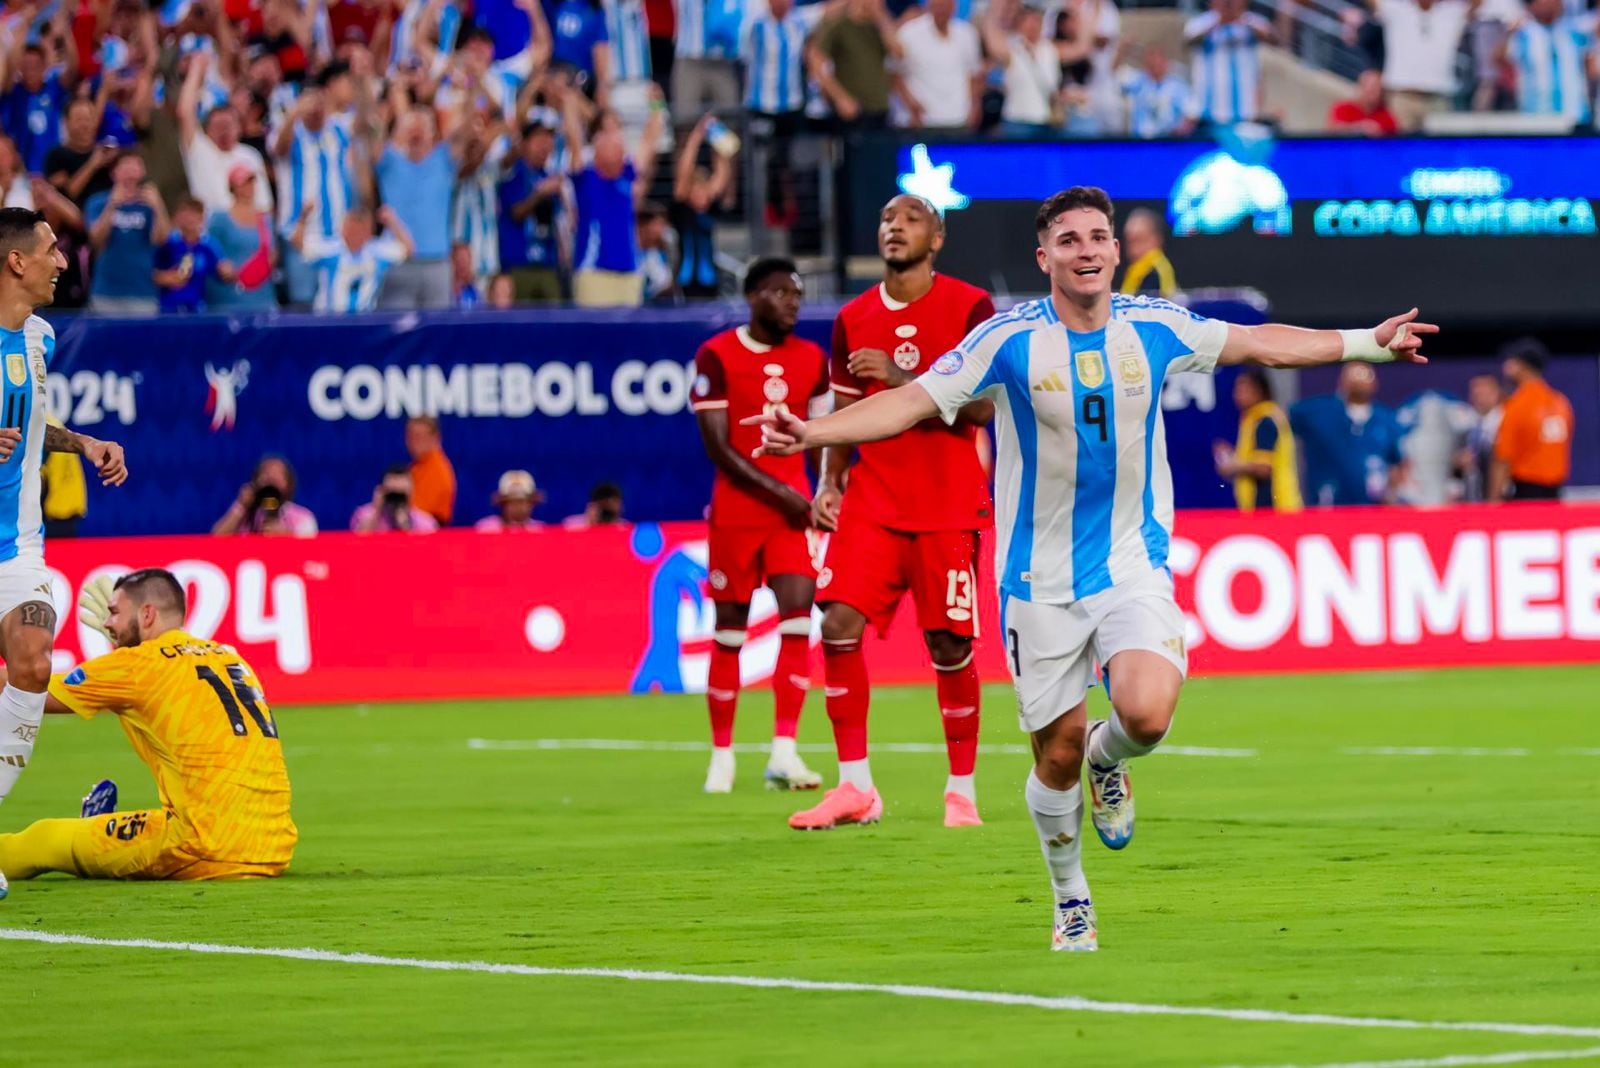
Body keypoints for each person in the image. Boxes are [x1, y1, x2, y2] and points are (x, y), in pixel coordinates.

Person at [744, 185, 1435, 951]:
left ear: (1115, 251)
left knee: (1144, 714)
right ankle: (1070, 895)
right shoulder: (1007, 341)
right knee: (1056, 757)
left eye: (1098, 238)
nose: (1087, 251)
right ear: (1045, 258)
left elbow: (1258, 341)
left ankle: (1115, 760)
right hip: (1036, 586)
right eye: (1069, 240)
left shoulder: (1156, 327)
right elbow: (909, 402)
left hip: (1130, 567)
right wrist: (811, 433)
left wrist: (1368, 342)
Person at [789, 193, 995, 832]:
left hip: (947, 501)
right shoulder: (853, 317)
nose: (893, 227)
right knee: (837, 627)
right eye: (885, 219)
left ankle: (961, 792)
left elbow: (986, 408)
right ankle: (856, 787)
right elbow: (844, 418)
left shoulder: (970, 308)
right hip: (873, 503)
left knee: (948, 643)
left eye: (909, 219)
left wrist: (905, 382)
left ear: (936, 238)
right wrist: (830, 484)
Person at [0, 569, 296, 883]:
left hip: (203, 844)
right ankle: (98, 829)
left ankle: (95, 834)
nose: (107, 623)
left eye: (114, 612)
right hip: (273, 846)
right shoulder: (232, 658)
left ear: (147, 614)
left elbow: (29, 686)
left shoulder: (140, 666)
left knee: (44, 839)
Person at [0, 207, 130, 901]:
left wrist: (86, 443)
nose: (61, 261)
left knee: (33, 660)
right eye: (51, 250)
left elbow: (30, 422)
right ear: (15, 262)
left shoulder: (41, 338)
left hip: (19, 551)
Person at [691, 257, 827, 794]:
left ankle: (784, 753)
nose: (791, 301)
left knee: (798, 622)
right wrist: (784, 495)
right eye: (779, 292)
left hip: (792, 518)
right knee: (729, 634)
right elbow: (719, 447)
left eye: (796, 293)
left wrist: (821, 495)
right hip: (738, 517)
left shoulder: (812, 359)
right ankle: (721, 757)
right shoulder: (717, 354)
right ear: (752, 296)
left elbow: (821, 437)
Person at [561, 84, 666, 307]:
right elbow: (573, 138)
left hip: (629, 271)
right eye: (605, 134)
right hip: (593, 272)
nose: (612, 138)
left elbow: (649, 140)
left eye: (616, 134)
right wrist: (569, 102)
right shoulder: (585, 175)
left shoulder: (628, 175)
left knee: (629, 340)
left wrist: (657, 105)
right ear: (596, 147)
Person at [1291, 363, 1410, 506]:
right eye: (1354, 374)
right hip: (1327, 504)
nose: (1359, 380)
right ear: (1342, 381)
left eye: (1365, 375)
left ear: (1375, 382)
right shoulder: (1316, 412)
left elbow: (1397, 462)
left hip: (1372, 507)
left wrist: (1391, 494)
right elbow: (1281, 427)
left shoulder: (1386, 418)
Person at [178, 52, 274, 216]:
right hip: (209, 229)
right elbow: (185, 112)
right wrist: (197, 69)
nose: (224, 130)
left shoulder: (250, 155)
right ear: (207, 130)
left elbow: (265, 207)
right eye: (218, 126)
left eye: (228, 125)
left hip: (243, 230)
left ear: (239, 128)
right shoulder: (200, 149)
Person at [742, 0, 808, 227]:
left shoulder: (800, 21)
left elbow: (827, 10)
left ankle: (789, 213)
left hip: (791, 105)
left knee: (788, 160)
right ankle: (762, 214)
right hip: (761, 104)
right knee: (764, 159)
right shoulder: (754, 24)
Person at [1367, 0, 1476, 131]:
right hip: (1403, 96)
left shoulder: (1451, 12)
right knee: (1401, 148)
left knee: (1437, 149)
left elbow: (1477, 4)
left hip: (1438, 97)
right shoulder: (1397, 9)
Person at [85, 152, 171, 315]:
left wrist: (158, 206)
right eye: (125, 165)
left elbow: (161, 239)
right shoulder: (98, 202)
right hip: (106, 291)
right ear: (114, 172)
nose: (131, 171)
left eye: (136, 165)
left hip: (142, 292)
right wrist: (112, 205)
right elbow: (96, 239)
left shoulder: (149, 204)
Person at [1489, 338, 1573, 501]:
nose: (1506, 367)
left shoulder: (1517, 405)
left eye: (1511, 362)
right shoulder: (1560, 401)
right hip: (1555, 491)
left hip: (1526, 492)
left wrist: (1492, 502)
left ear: (1523, 366)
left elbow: (1503, 459)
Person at [294, 203, 414, 313]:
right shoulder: (330, 250)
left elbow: (408, 250)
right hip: (329, 318)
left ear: (368, 232)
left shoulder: (377, 253)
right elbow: (299, 244)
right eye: (351, 229)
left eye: (360, 230)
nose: (355, 234)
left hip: (364, 319)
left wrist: (392, 222)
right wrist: (304, 217)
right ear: (343, 230)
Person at [1213, 368, 1301, 512]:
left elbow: (1264, 468)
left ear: (1259, 390)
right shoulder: (1253, 419)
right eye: (1236, 389)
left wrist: (1233, 465)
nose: (1237, 395)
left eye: (1243, 390)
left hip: (1274, 510)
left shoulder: (1266, 420)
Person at [496, 117, 564, 303]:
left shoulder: (551, 176)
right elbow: (516, 213)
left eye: (549, 140)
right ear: (524, 143)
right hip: (518, 264)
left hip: (548, 264)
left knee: (553, 325)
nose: (545, 146)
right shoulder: (514, 173)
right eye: (539, 139)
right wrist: (539, 194)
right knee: (519, 325)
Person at [808, 0, 904, 130]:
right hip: (852, 110)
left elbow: (899, 53)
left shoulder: (881, 26)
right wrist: (840, 98)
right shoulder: (839, 24)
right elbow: (816, 62)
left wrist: (882, 19)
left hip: (880, 107)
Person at [893, 0, 984, 131]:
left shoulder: (967, 33)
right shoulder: (909, 32)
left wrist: (974, 106)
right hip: (921, 121)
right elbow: (895, 74)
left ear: (954, 7)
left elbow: (974, 75)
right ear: (929, 5)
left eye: (946, 5)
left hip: (959, 119)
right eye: (938, 5)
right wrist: (910, 104)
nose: (942, 10)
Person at [670, 113, 733, 300]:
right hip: (685, 283)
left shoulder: (711, 211)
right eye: (696, 191)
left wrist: (717, 135)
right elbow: (683, 172)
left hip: (710, 282)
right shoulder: (682, 211)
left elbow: (722, 173)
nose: (701, 195)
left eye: (704, 191)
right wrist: (696, 137)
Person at [1184, 0, 1276, 127]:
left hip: (1245, 108)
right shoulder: (1200, 22)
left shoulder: (1252, 21)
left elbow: (1274, 39)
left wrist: (1242, 21)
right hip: (1207, 109)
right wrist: (1219, 22)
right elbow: (1189, 42)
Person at [1499, 0, 1591, 124]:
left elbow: (1589, 67)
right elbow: (1500, 60)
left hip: (1575, 115)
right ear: (1532, 6)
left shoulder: (1575, 32)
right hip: (1536, 116)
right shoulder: (1523, 34)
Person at [983, 0, 1061, 138]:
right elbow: (991, 37)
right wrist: (995, 6)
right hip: (1018, 122)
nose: (1033, 25)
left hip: (1045, 122)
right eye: (1028, 21)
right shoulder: (1011, 49)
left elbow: (1081, 47)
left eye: (1036, 20)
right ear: (1019, 24)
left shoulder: (1050, 50)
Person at [205, 164, 277, 311]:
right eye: (243, 183)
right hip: (228, 298)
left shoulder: (265, 218)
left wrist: (258, 271)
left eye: (251, 182)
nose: (248, 187)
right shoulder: (220, 218)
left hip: (261, 297)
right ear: (233, 187)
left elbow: (271, 253)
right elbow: (208, 249)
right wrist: (222, 266)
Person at [154, 196, 235, 313]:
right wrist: (165, 278)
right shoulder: (167, 242)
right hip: (167, 308)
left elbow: (222, 272)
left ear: (202, 218)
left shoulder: (208, 245)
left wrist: (228, 273)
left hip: (195, 309)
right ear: (177, 217)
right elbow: (150, 272)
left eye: (195, 213)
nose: (190, 218)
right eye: (186, 212)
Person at [212, 455, 319, 536]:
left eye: (277, 475)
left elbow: (311, 552)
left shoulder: (303, 517)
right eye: (266, 474)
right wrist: (241, 506)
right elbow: (215, 539)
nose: (271, 479)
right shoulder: (244, 513)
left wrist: (287, 535)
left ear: (288, 484)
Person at [1119, 45, 1195, 140]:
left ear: (1165, 63)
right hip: (1141, 142)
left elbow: (1191, 113)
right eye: (1151, 64)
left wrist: (1179, 132)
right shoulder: (1137, 82)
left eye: (1158, 63)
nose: (1155, 66)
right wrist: (1121, 50)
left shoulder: (1178, 86)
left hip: (1168, 142)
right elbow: (1114, 75)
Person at [1455, 372, 1502, 501]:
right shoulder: (1466, 420)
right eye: (1475, 393)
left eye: (1483, 393)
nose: (1478, 398)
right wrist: (1458, 460)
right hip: (1473, 492)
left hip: (1502, 493)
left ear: (1496, 393)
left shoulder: (1506, 420)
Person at [351, 464, 440, 532]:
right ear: (383, 491)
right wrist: (376, 510)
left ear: (411, 493)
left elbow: (426, 550)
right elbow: (357, 541)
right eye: (392, 494)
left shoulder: (426, 523)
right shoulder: (363, 515)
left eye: (401, 495)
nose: (396, 500)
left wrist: (406, 525)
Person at [406, 414, 456, 525]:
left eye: (419, 437)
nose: (413, 442)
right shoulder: (415, 468)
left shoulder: (438, 469)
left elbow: (421, 514)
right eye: (410, 437)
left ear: (435, 438)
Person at [1117, 207, 1176, 297]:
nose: (1132, 248)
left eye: (1139, 239)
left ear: (1156, 239)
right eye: (1129, 240)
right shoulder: (1137, 270)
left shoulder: (1154, 272)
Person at [1327, 68, 1399, 135]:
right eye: (1372, 88)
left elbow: (1395, 141)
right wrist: (1359, 128)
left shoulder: (1386, 116)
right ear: (1361, 87)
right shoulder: (1343, 108)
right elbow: (1333, 132)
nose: (1376, 93)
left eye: (1379, 89)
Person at [475, 469, 546, 530]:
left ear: (531, 504)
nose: (518, 507)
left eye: (522, 502)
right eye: (512, 502)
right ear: (503, 504)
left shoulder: (539, 530)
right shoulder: (486, 529)